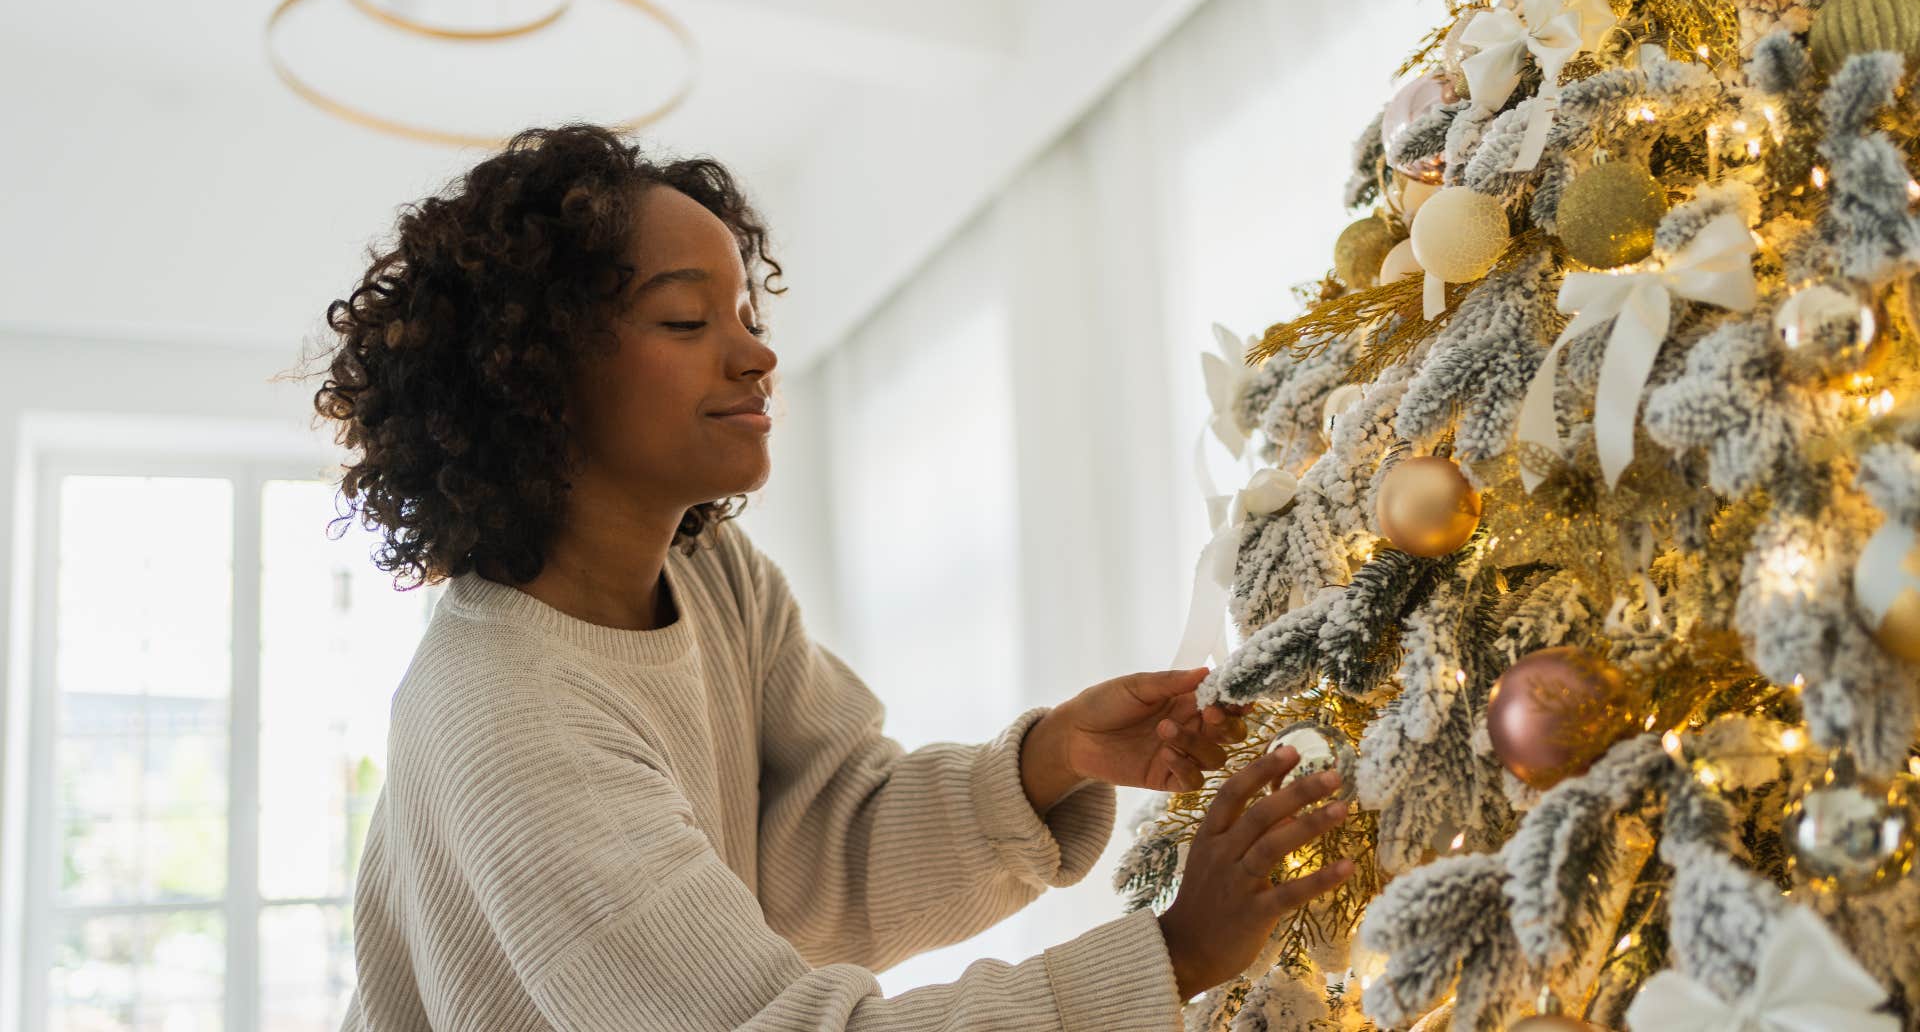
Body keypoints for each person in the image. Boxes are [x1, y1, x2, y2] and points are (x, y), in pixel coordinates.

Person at [310, 123, 1355, 1031]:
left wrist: (1048, 759)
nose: (756, 358)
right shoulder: (509, 715)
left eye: (748, 320)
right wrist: (1170, 958)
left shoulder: (714, 575)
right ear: (534, 372)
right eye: (687, 320)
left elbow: (810, 853)